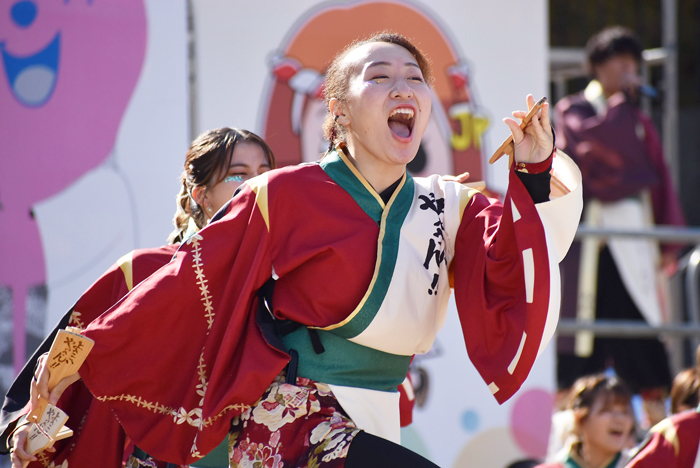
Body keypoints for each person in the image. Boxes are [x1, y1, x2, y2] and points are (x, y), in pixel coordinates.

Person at [31, 33, 582, 467]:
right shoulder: (285, 193)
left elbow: (516, 258)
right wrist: (77, 359)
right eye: (380, 76)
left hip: (378, 413)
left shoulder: (449, 206)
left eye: (416, 78)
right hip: (291, 420)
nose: (403, 88)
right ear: (338, 111)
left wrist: (532, 171)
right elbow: (190, 279)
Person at [3, 127, 276, 468]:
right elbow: (68, 364)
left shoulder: (282, 279)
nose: (255, 186)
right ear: (201, 195)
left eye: (266, 174)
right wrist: (33, 428)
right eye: (238, 175)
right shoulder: (143, 271)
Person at [554, 26, 686, 428]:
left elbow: (659, 178)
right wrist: (620, 109)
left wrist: (667, 238)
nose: (630, 71)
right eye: (621, 62)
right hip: (589, 251)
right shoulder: (574, 110)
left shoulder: (637, 118)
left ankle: (658, 436)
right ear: (597, 66)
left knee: (644, 348)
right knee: (580, 351)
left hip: (634, 250)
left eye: (635, 63)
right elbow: (590, 156)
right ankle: (571, 442)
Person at [536, 374, 636, 468]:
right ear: (579, 417)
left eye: (625, 412)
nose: (620, 419)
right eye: (607, 410)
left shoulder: (641, 464)